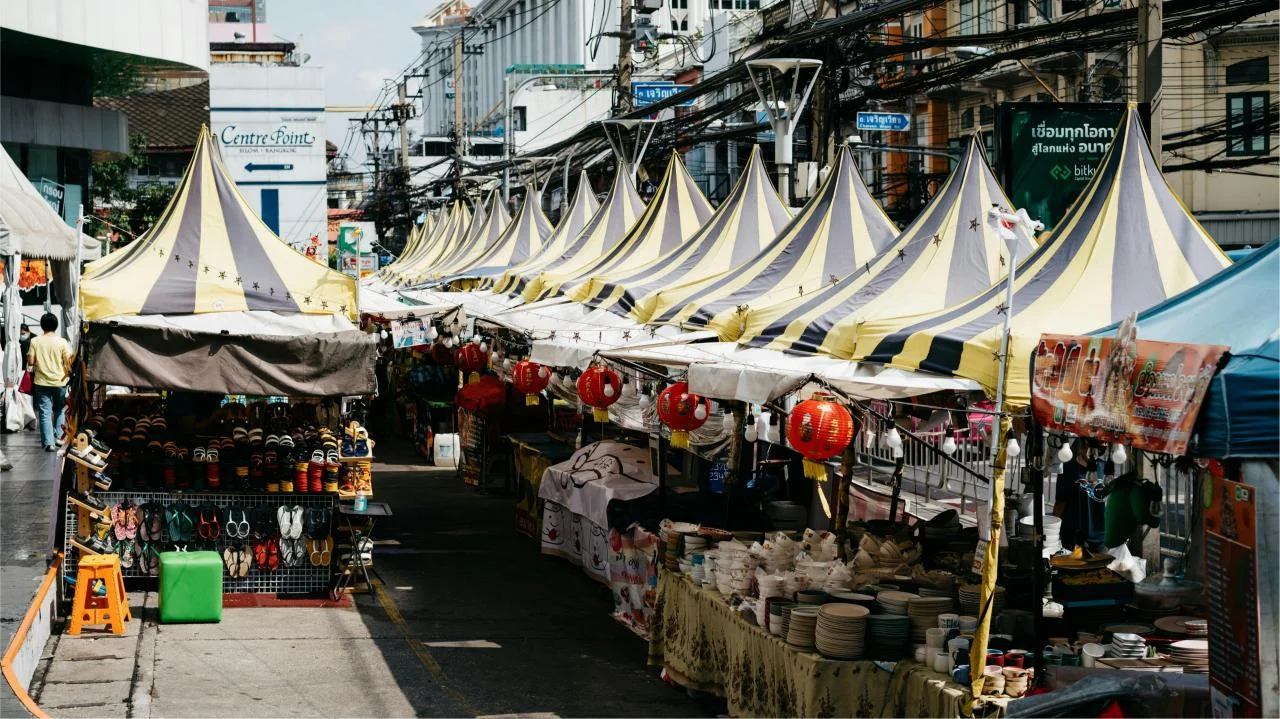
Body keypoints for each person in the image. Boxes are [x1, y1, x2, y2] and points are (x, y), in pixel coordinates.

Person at [27, 313, 73, 452]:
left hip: (41, 382)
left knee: (45, 412)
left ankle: (49, 443)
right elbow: (69, 361)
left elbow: (30, 362)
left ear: (42, 325)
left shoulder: (35, 341)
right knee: (59, 410)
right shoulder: (62, 342)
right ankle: (59, 438)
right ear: (56, 325)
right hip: (60, 382)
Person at [1053, 439, 1106, 552]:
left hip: (1099, 538)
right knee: (1075, 569)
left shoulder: (1104, 468)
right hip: (1073, 537)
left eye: (1098, 448)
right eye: (1091, 447)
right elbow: (1059, 505)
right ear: (1081, 446)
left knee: (1101, 569)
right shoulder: (1067, 469)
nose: (1094, 452)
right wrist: (1053, 533)